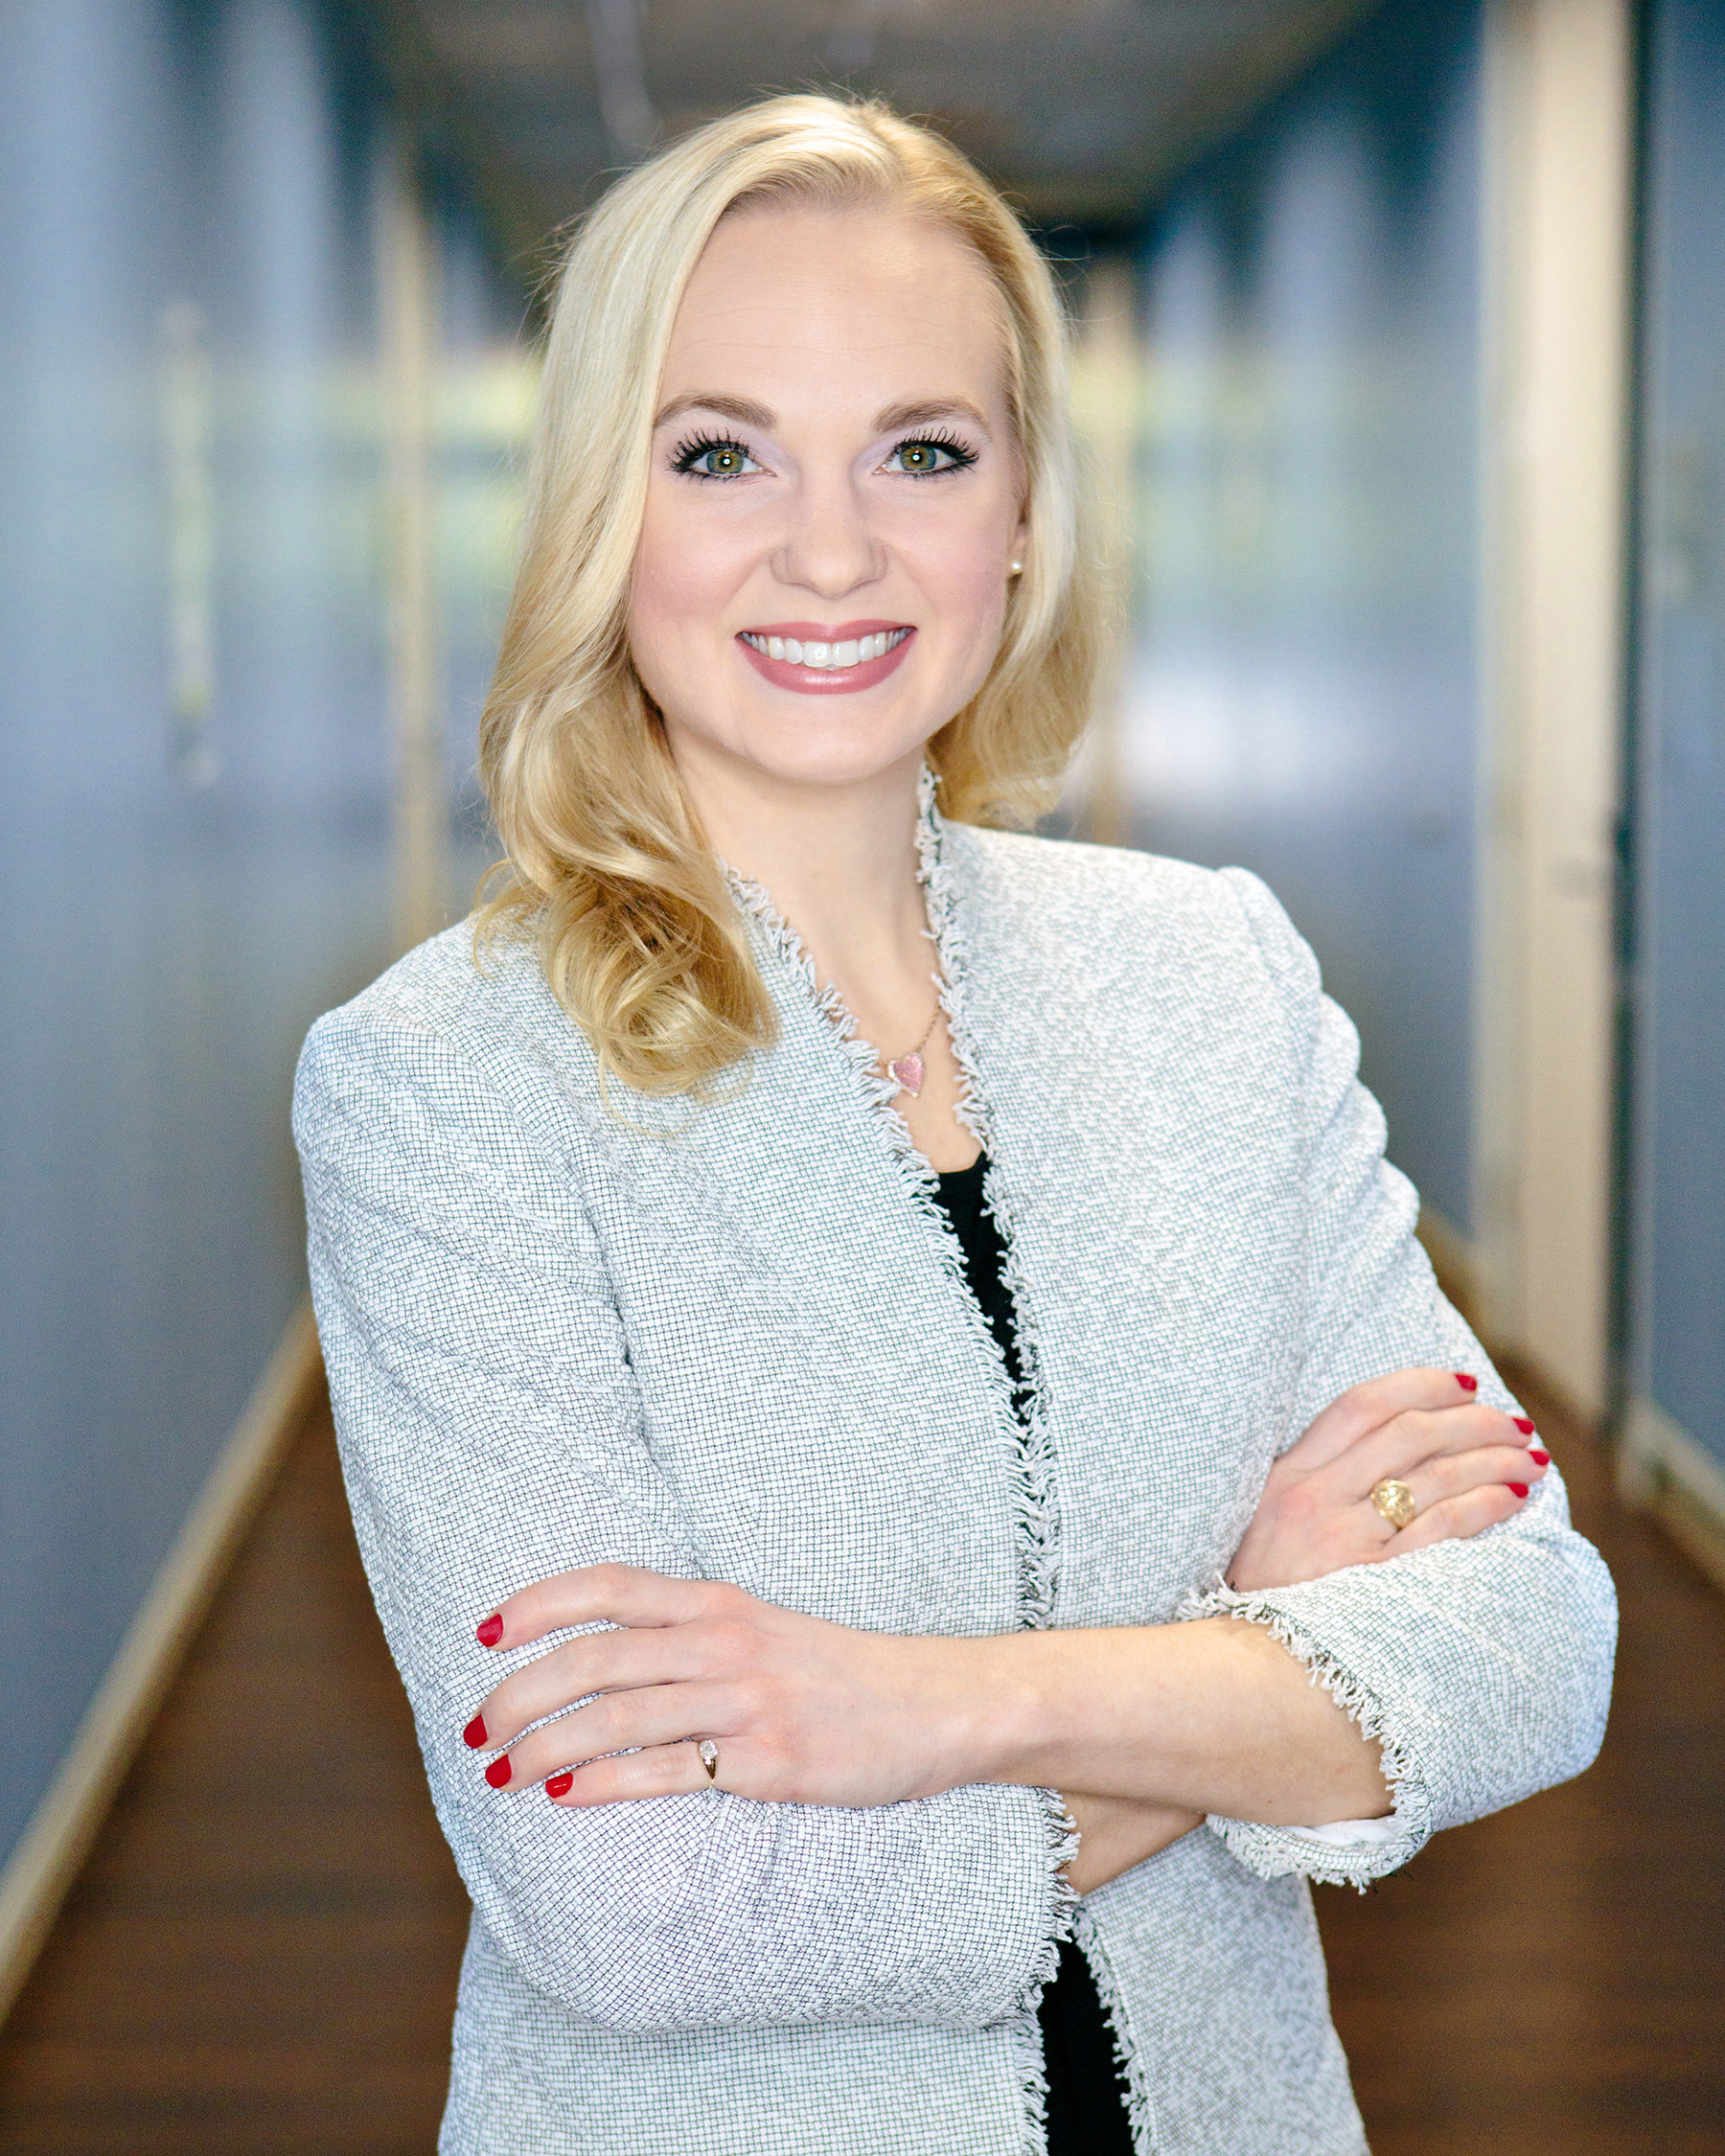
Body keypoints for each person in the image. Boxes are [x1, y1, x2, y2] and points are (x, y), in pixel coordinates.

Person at [293, 94, 1615, 2156]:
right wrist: (1241, 1669)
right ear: (600, 514)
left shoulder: (1208, 978)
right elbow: (637, 1908)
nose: (832, 551)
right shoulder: (449, 1082)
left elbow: (1532, 1639)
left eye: (924, 450)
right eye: (718, 453)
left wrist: (911, 1704)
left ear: (1019, 513)